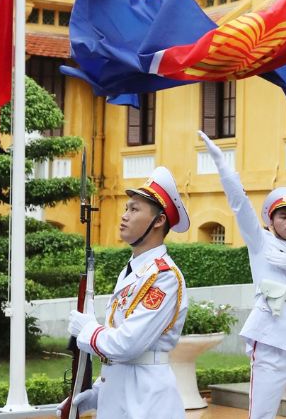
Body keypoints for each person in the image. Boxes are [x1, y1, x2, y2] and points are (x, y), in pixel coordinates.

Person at [198, 131, 286, 419]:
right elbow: (240, 205)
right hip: (270, 342)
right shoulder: (261, 243)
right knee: (261, 414)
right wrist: (223, 166)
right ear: (271, 220)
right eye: (283, 216)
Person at [60, 166, 191, 419]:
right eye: (126, 208)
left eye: (134, 209)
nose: (125, 215)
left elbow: (127, 345)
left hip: (147, 402)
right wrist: (97, 392)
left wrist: (87, 329)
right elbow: (118, 351)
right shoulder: (133, 270)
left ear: (159, 220)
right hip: (120, 398)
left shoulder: (164, 277)